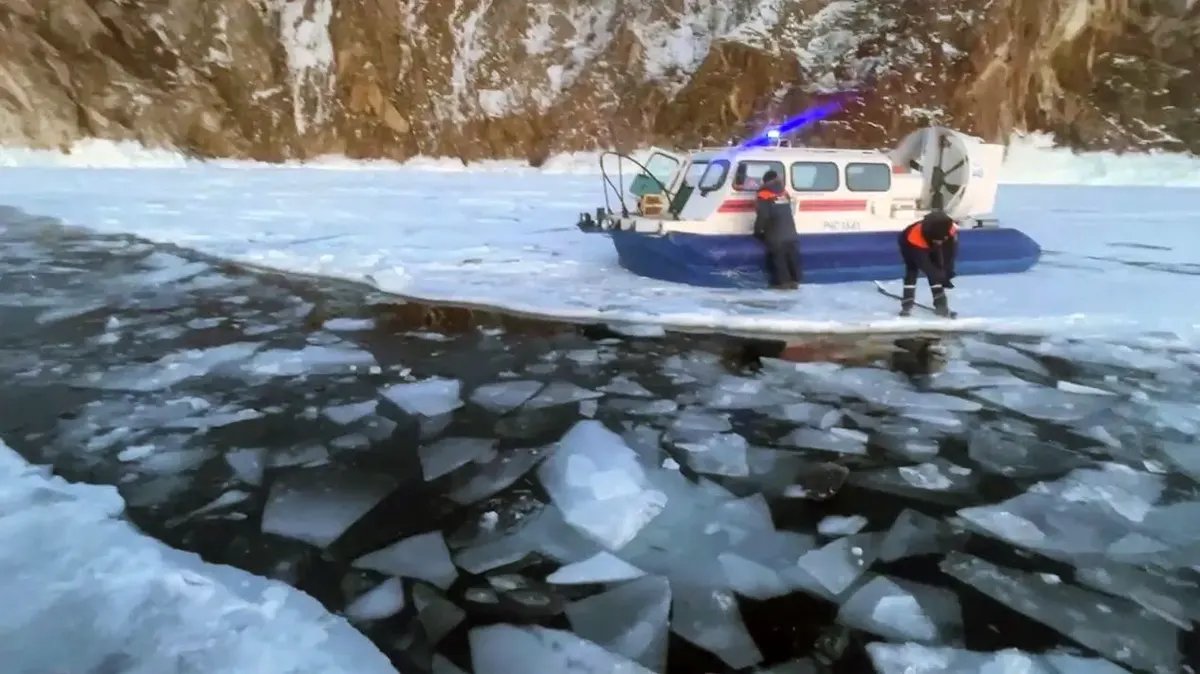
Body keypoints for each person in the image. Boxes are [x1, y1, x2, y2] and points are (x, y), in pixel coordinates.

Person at [897, 210, 958, 317]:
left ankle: (941, 306)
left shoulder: (950, 231)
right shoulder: (915, 237)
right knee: (913, 269)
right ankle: (907, 305)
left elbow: (949, 255)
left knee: (938, 268)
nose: (939, 243)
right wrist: (940, 276)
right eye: (937, 241)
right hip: (909, 244)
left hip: (930, 239)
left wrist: (947, 273)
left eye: (941, 240)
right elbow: (926, 266)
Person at [752, 170, 801, 289]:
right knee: (792, 260)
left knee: (779, 262)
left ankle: (782, 286)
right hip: (791, 233)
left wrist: (757, 231)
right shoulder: (784, 192)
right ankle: (795, 284)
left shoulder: (764, 194)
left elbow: (763, 215)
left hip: (776, 235)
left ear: (765, 181)